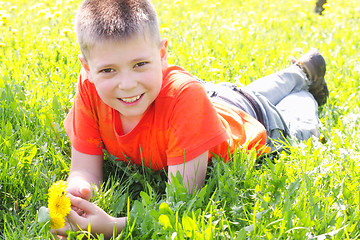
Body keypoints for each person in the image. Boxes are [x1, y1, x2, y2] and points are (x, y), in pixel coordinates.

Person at [54, 0, 329, 237]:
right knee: (244, 93)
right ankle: (301, 71)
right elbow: (84, 170)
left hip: (257, 120)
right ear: (87, 69)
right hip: (216, 100)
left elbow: (182, 201)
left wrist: (117, 225)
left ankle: (306, 82)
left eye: (140, 64)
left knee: (299, 122)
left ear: (162, 55)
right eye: (108, 70)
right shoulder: (89, 88)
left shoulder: (184, 97)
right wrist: (77, 193)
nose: (126, 84)